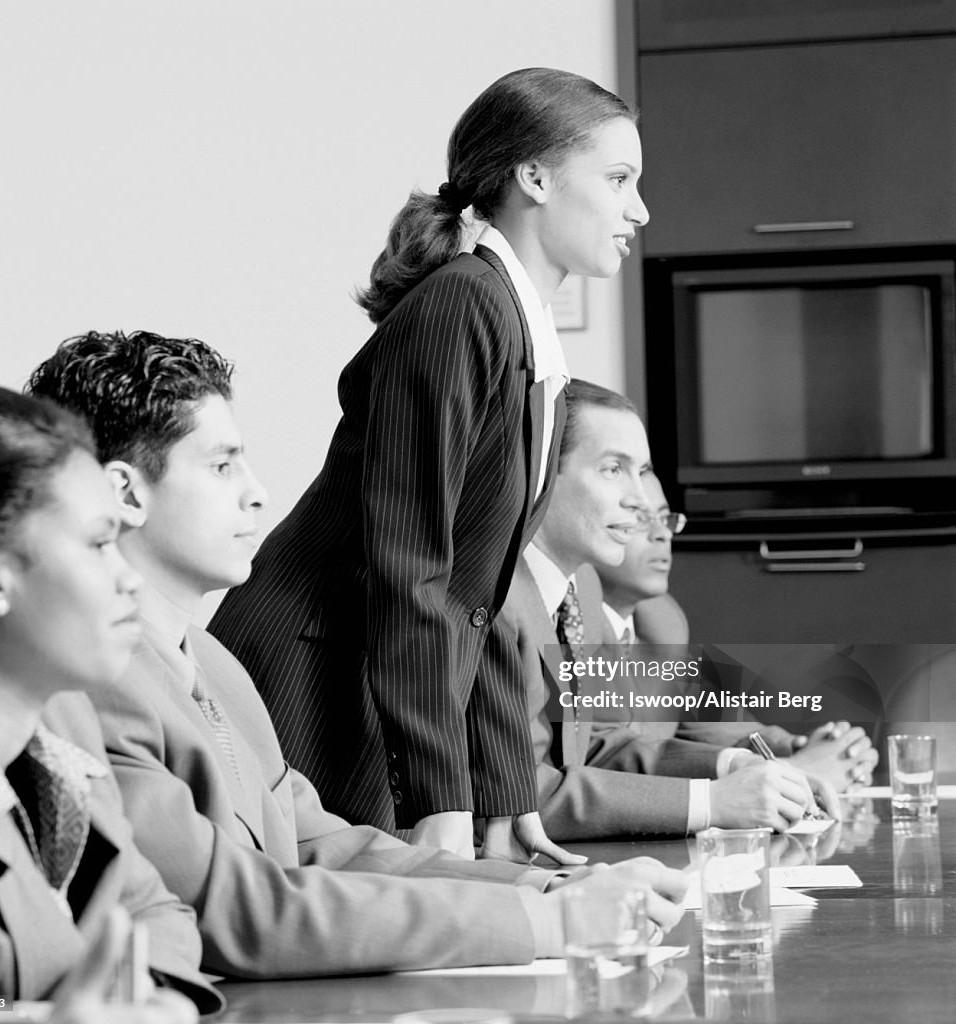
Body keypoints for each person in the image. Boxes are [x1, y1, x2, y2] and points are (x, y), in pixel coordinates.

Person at [27, 329, 688, 978]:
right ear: (126, 493)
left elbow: (325, 845)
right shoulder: (90, 685)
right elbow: (239, 910)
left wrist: (541, 892)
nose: (257, 491)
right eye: (222, 465)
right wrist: (551, 927)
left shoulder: (214, 661)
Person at [207, 67, 649, 858]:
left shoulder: (523, 335)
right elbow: (410, 568)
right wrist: (442, 797)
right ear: (535, 177)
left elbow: (486, 600)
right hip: (319, 683)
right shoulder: (463, 305)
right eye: (618, 179)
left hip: (375, 686)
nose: (638, 210)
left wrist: (508, 798)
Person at [0, 179, 206, 1023]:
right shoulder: (107, 693)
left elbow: (155, 909)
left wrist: (141, 994)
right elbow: (252, 904)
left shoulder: (76, 719)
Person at [501, 379, 841, 839]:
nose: (640, 502)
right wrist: (712, 801)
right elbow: (518, 797)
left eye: (641, 471)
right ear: (539, 472)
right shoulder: (497, 600)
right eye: (612, 469)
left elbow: (597, 748)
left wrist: (736, 763)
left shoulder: (585, 590)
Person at [598, 471, 879, 794]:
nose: (662, 534)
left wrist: (796, 747)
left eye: (665, 518)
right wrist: (789, 773)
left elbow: (707, 714)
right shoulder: (564, 626)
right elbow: (608, 762)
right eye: (638, 517)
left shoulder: (660, 617)